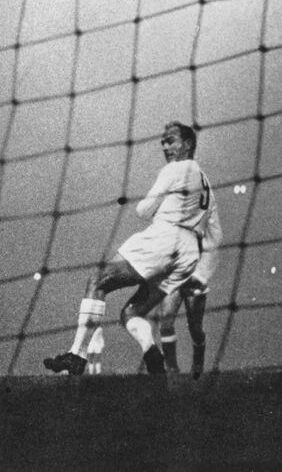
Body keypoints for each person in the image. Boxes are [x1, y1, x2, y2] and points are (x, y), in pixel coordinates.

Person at [44, 121, 213, 375]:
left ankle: (76, 356)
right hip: (188, 255)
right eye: (163, 143)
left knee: (98, 281)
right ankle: (152, 355)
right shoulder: (205, 180)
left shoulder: (175, 170)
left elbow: (144, 210)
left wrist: (146, 204)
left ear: (187, 144)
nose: (165, 147)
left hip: (165, 239)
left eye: (171, 141)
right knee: (131, 312)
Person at [158, 204, 222, 379]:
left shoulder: (204, 216)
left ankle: (198, 361)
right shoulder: (170, 215)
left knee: (195, 327)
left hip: (195, 278)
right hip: (174, 277)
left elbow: (214, 245)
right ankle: (172, 369)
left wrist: (201, 275)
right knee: (165, 321)